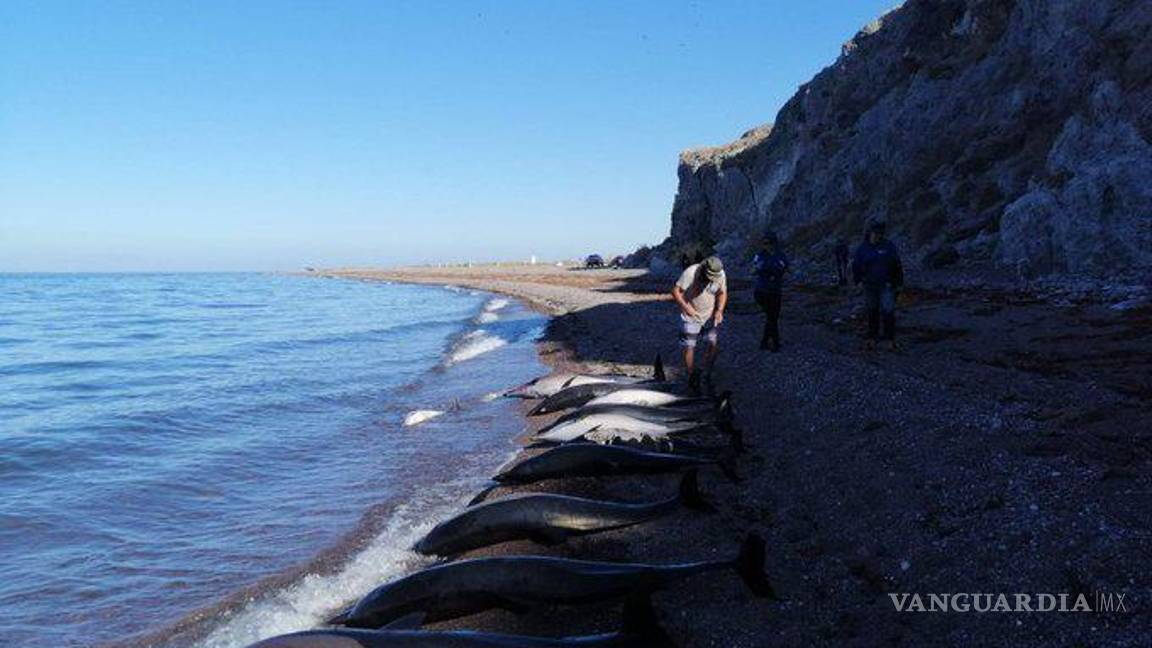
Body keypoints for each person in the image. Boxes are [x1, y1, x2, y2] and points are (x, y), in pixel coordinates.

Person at [671, 255, 727, 394]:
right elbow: (675, 291)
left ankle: (707, 373)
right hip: (690, 316)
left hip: (709, 317)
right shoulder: (691, 272)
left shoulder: (720, 274)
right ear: (703, 268)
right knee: (689, 346)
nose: (711, 279)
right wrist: (686, 307)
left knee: (713, 345)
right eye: (709, 276)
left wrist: (719, 310)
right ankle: (691, 376)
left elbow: (722, 293)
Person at [852, 221, 904, 350]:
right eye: (875, 232)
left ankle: (889, 340)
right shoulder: (862, 248)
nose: (877, 235)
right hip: (869, 286)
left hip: (887, 285)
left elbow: (897, 265)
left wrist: (899, 284)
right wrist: (857, 282)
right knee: (872, 311)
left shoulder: (889, 246)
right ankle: (871, 338)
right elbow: (856, 266)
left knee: (888, 311)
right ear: (870, 232)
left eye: (880, 233)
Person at [752, 234, 789, 352]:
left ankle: (764, 343)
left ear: (774, 243)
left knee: (772, 317)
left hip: (775, 290)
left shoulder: (780, 255)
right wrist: (764, 269)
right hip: (762, 291)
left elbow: (786, 268)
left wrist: (778, 270)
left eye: (769, 243)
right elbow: (753, 270)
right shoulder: (759, 256)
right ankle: (776, 344)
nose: (766, 246)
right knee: (772, 317)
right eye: (765, 243)